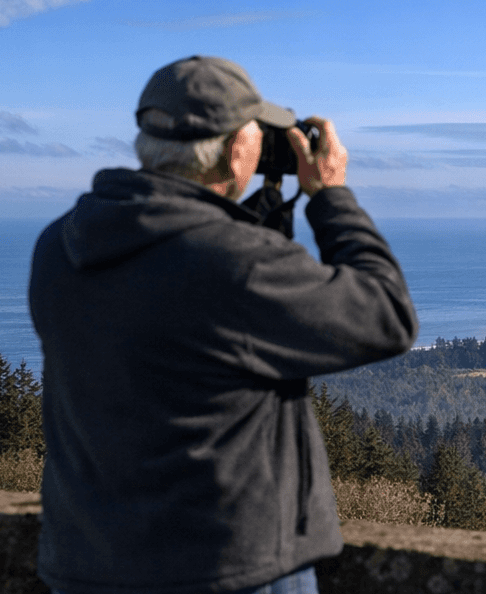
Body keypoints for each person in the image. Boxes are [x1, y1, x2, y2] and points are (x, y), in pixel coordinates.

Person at [30, 55, 418, 594]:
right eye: (257, 133)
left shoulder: (61, 244)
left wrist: (256, 227)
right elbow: (386, 316)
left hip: (87, 562)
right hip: (227, 567)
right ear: (238, 149)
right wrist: (329, 197)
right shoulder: (236, 264)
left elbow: (188, 304)